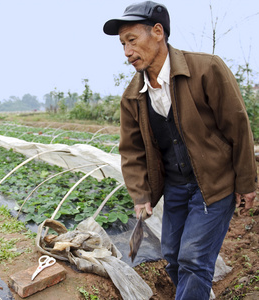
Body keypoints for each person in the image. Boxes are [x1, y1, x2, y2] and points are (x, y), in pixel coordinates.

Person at [103, 1, 257, 299]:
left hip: (214, 183)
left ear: (158, 32)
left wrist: (246, 183)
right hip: (175, 185)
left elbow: (238, 127)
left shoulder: (206, 69)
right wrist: (141, 193)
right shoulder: (133, 97)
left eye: (132, 40)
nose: (126, 52)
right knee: (173, 255)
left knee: (194, 259)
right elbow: (131, 151)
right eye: (122, 44)